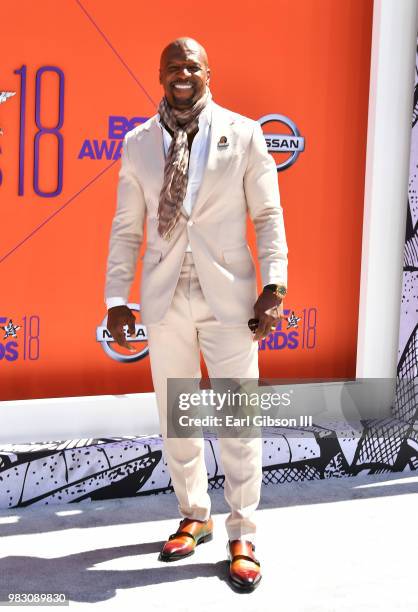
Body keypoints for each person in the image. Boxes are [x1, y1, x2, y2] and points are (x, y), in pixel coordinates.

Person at [105, 37, 288, 592]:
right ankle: (194, 515)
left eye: (191, 66)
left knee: (237, 418)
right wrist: (117, 298)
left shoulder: (245, 133)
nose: (181, 74)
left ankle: (243, 531)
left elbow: (268, 214)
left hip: (229, 296)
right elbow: (127, 228)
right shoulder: (138, 144)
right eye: (172, 67)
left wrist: (274, 286)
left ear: (209, 72)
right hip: (165, 298)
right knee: (177, 417)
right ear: (159, 75)